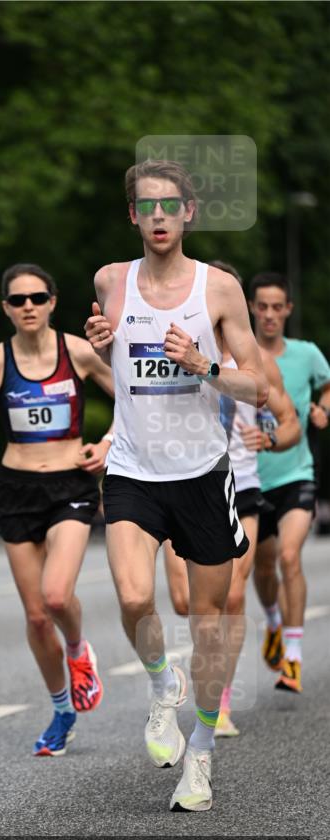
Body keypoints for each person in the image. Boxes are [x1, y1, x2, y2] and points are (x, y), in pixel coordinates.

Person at [85, 159, 269, 812]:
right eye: (145, 207)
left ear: (188, 213)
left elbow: (259, 386)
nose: (157, 217)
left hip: (201, 474)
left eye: (168, 206)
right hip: (134, 466)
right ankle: (163, 687)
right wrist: (97, 342)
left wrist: (206, 364)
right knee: (135, 599)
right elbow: (106, 355)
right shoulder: (111, 281)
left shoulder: (217, 289)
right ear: (130, 216)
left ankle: (202, 752)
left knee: (209, 622)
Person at [0, 263, 113, 756]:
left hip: (71, 482)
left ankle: (78, 651)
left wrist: (107, 442)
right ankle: (62, 710)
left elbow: (132, 400)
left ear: (52, 302)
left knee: (56, 597)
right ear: (6, 307)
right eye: (18, 300)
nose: (28, 306)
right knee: (35, 615)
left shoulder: (80, 353)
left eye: (37, 298)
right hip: (17, 487)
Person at [162, 261, 301, 737]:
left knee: (234, 594)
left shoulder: (256, 362)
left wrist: (274, 441)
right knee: (186, 603)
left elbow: (288, 422)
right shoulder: (173, 344)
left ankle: (218, 701)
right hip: (179, 482)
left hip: (240, 486)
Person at [249, 273, 330, 692]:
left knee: (290, 557)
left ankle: (293, 659)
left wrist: (323, 409)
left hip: (297, 473)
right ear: (250, 308)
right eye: (261, 306)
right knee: (263, 568)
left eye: (276, 307)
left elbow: (328, 385)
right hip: (252, 481)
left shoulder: (306, 354)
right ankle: (274, 622)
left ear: (288, 311)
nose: (269, 315)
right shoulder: (238, 357)